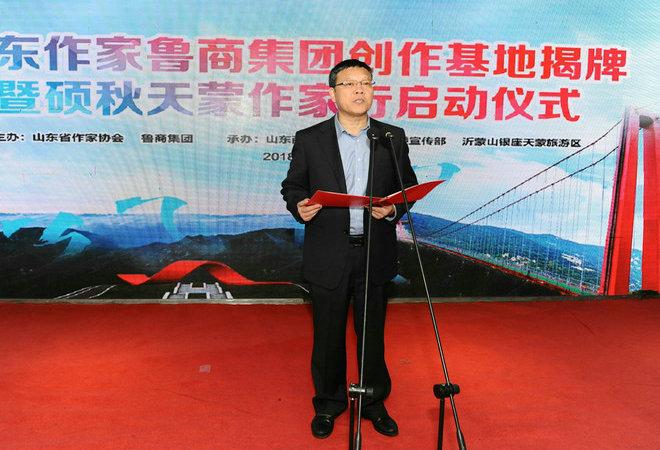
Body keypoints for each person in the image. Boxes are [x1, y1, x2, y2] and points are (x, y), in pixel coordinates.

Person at [281, 59, 418, 439]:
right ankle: (329, 404)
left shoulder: (391, 137)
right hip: (328, 252)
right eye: (349, 83)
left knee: (372, 334)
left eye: (366, 83)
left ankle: (373, 402)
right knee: (327, 335)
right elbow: (293, 186)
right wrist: (298, 206)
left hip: (375, 251)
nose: (359, 90)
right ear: (332, 93)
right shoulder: (310, 139)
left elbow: (407, 187)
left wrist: (394, 208)